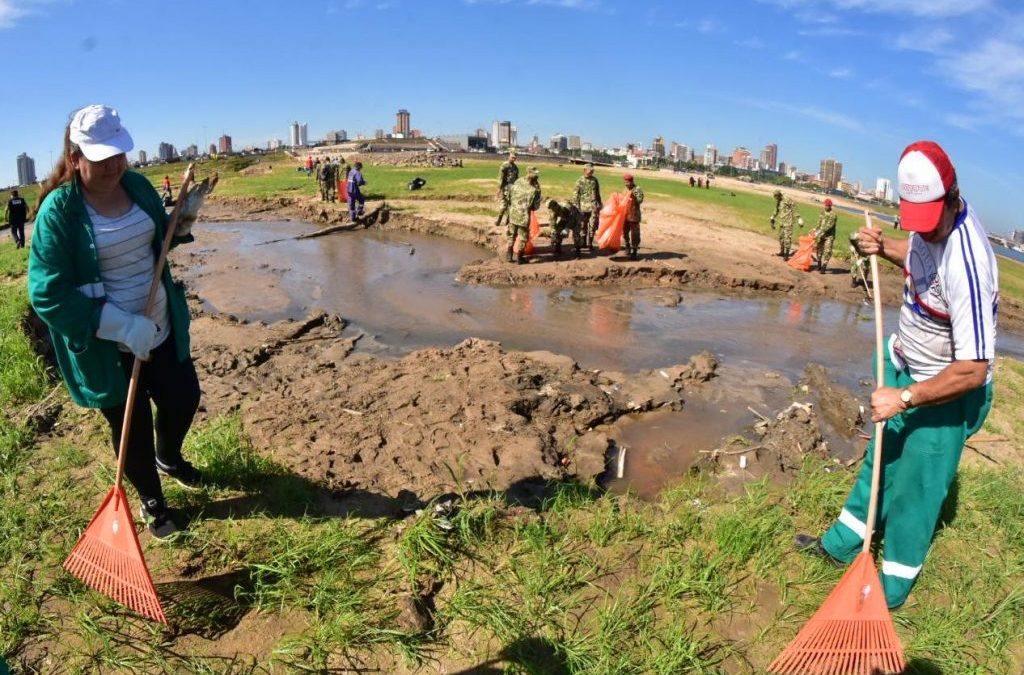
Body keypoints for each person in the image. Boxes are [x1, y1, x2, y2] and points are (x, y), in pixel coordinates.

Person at [796, 141, 998, 610]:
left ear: (952, 198)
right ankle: (843, 544)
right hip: (905, 365)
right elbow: (918, 255)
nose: (924, 233)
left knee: (917, 487)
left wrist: (904, 399)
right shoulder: (928, 232)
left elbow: (972, 369)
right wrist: (882, 247)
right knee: (880, 459)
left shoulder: (969, 267)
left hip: (945, 389)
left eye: (931, 223)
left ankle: (890, 589)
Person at [27, 105, 203, 539]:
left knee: (183, 398)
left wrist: (178, 225)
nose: (114, 166)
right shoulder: (59, 212)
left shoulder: (138, 186)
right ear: (74, 159)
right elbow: (47, 293)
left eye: (119, 154)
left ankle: (170, 456)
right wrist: (121, 326)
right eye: (101, 157)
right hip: (109, 345)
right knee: (132, 426)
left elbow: (157, 243)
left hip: (160, 325)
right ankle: (153, 500)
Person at [505, 167, 541, 264]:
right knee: (523, 237)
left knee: (511, 234)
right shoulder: (535, 188)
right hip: (523, 217)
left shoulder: (518, 181)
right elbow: (536, 206)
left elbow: (509, 195)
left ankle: (509, 254)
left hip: (513, 213)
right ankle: (520, 258)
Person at [572, 163, 602, 251]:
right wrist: (576, 207)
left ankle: (590, 244)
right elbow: (575, 195)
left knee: (592, 226)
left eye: (592, 170)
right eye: (590, 170)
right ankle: (583, 243)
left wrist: (599, 203)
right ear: (584, 170)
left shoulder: (594, 180)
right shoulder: (579, 181)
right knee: (582, 225)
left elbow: (597, 193)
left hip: (593, 207)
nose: (591, 172)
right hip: (582, 208)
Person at [770, 189, 802, 259]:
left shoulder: (787, 199)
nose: (776, 198)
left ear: (779, 195)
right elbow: (776, 209)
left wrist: (799, 218)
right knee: (781, 238)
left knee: (787, 238)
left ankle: (787, 255)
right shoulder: (779, 200)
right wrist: (773, 216)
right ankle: (782, 252)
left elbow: (794, 207)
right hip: (781, 222)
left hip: (788, 222)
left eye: (776, 197)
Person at [623, 174, 644, 261]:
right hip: (625, 215)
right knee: (625, 232)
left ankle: (634, 252)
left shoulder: (637, 189)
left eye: (627, 182)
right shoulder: (625, 189)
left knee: (635, 234)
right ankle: (627, 247)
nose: (626, 184)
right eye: (625, 182)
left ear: (631, 182)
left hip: (634, 215)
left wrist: (633, 197)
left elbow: (640, 200)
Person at [813, 198, 838, 273]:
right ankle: (819, 265)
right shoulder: (822, 212)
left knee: (827, 251)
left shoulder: (833, 215)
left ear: (830, 206)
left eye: (827, 205)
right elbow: (819, 222)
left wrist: (820, 232)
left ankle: (824, 267)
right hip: (821, 235)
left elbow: (829, 226)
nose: (825, 206)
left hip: (829, 236)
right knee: (819, 250)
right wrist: (815, 229)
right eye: (825, 205)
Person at [495, 150, 519, 227]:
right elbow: (500, 179)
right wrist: (498, 191)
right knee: (504, 205)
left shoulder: (515, 168)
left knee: (511, 206)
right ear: (509, 156)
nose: (513, 159)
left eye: (515, 158)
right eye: (512, 157)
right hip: (505, 188)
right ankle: (499, 220)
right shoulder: (504, 166)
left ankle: (508, 221)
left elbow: (516, 179)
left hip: (513, 189)